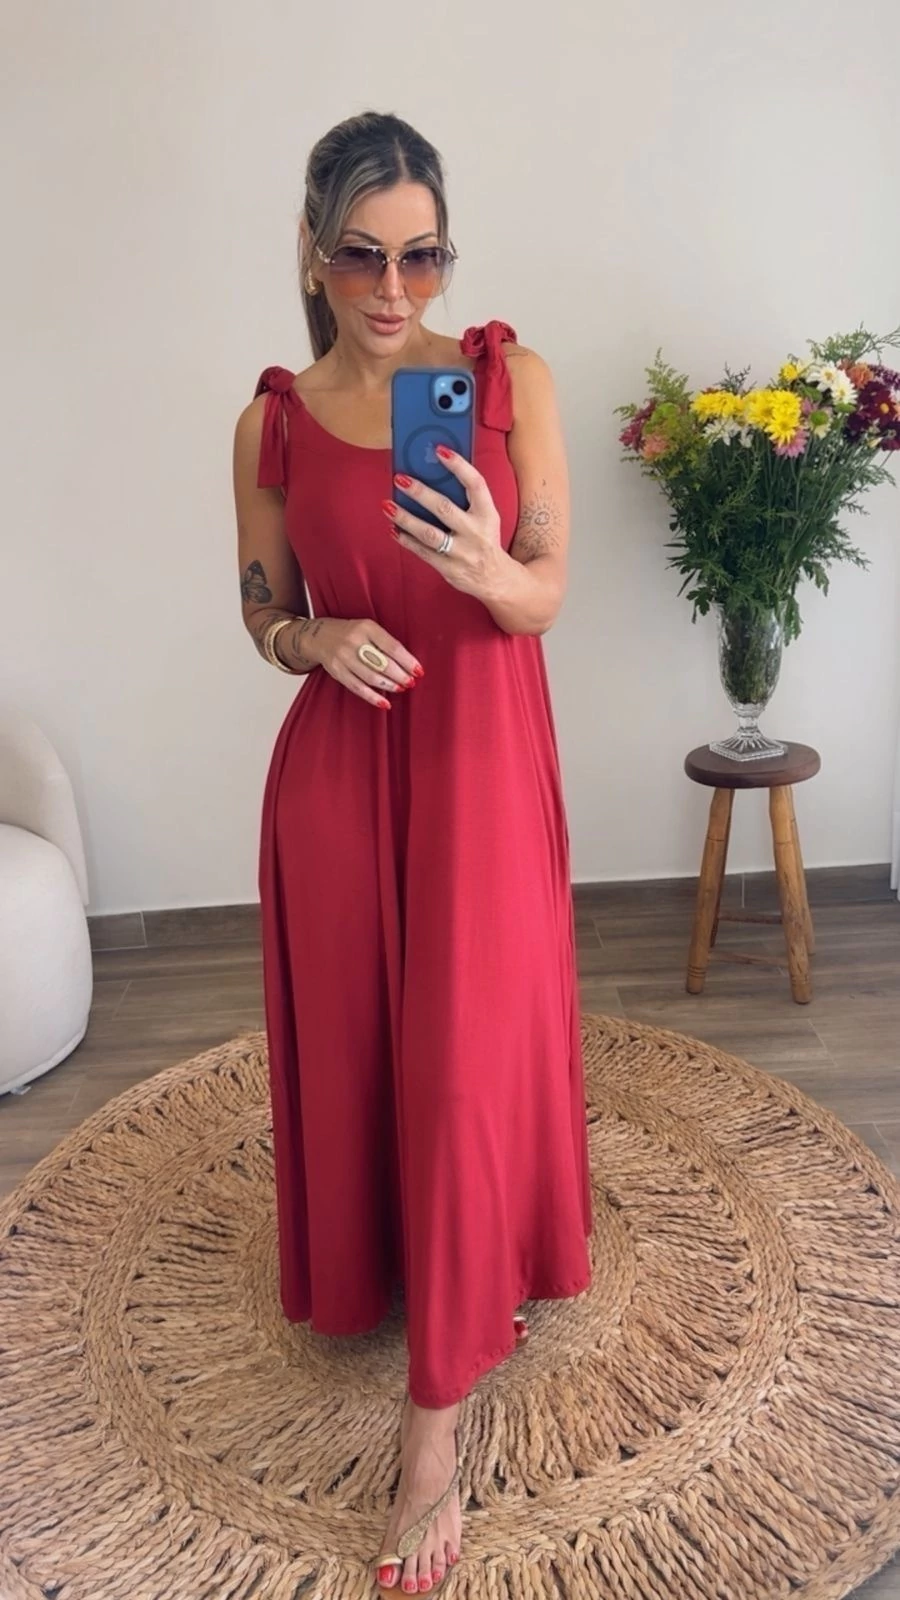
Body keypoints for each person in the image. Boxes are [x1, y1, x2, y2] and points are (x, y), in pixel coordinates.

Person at [232, 110, 593, 1595]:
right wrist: (313, 637)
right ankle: (392, 1263)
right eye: (362, 256)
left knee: (461, 1060)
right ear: (312, 254)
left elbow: (548, 595)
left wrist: (491, 564)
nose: (396, 290)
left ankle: (431, 1432)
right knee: (368, 1046)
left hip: (481, 764)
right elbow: (259, 609)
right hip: (342, 769)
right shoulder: (271, 423)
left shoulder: (508, 383)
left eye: (424, 255)